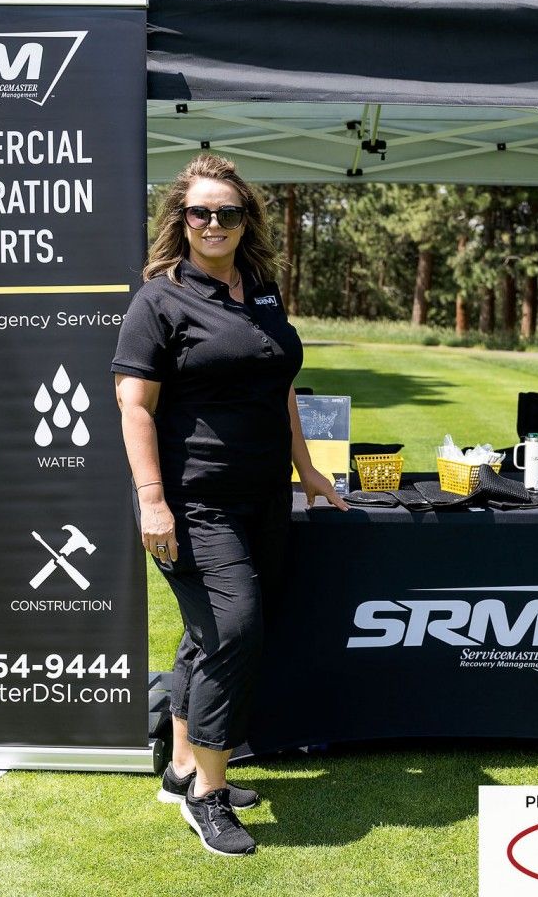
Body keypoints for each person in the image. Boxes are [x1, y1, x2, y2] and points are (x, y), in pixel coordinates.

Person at [112, 153, 345, 856]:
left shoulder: (263, 291)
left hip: (263, 495)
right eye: (200, 212)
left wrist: (307, 471)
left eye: (228, 212)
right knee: (234, 628)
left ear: (247, 221)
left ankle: (183, 767)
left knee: (208, 632)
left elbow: (279, 388)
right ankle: (208, 796)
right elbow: (134, 406)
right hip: (192, 501)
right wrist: (152, 501)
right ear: (180, 222)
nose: (214, 223)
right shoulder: (158, 300)